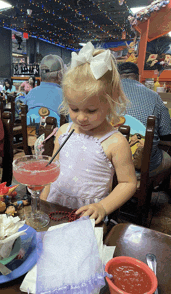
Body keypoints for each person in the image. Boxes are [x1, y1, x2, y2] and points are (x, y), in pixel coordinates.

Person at [40, 42, 137, 224]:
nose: (82, 118)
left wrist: (103, 207)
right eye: (74, 109)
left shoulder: (115, 142)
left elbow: (128, 183)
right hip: (55, 207)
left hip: (87, 215)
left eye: (91, 110)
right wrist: (43, 202)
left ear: (111, 101)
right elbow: (52, 173)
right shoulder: (63, 132)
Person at [118, 62, 171, 177]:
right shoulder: (154, 96)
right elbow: (167, 133)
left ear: (117, 77)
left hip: (110, 165)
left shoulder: (105, 95)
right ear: (138, 77)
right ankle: (153, 188)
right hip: (141, 166)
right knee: (167, 158)